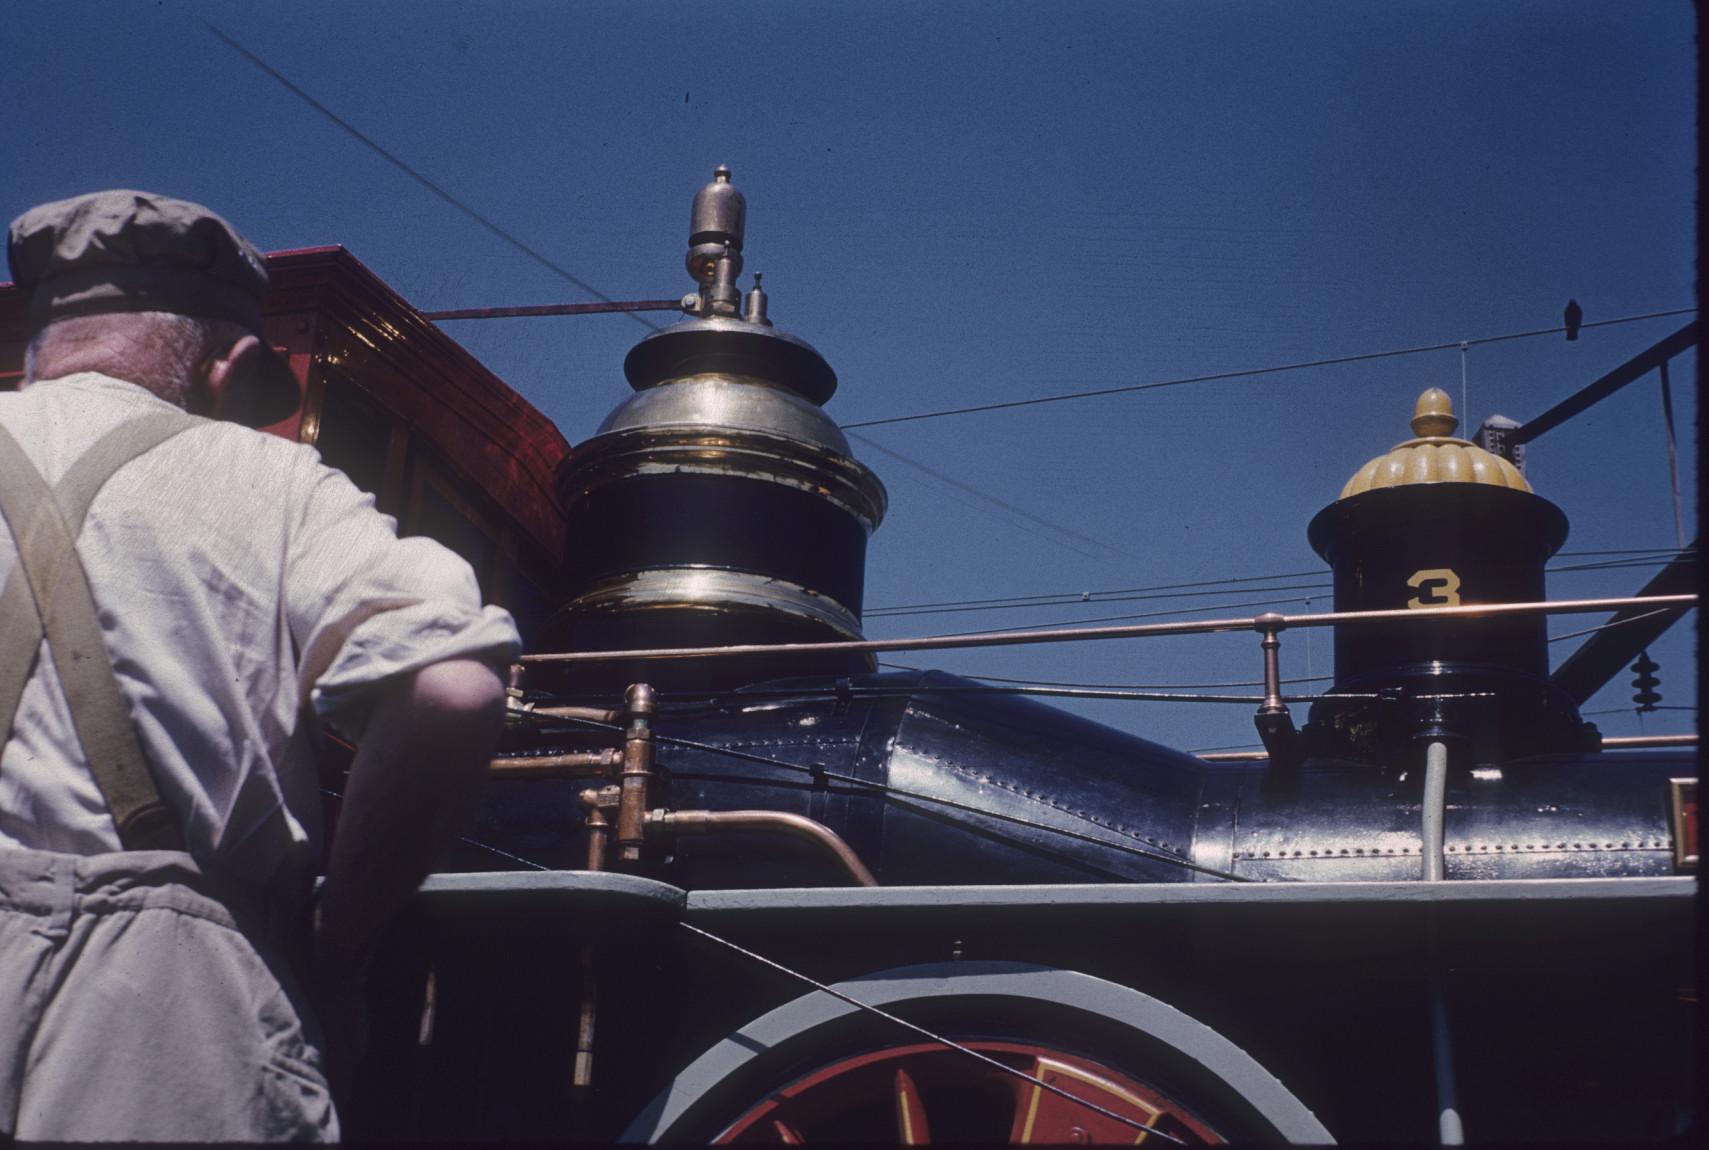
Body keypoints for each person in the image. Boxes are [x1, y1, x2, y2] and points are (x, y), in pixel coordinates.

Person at [0, 190, 521, 1141]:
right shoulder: (272, 481)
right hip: (158, 1007)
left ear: (39, 348)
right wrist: (341, 946)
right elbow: (453, 685)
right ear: (228, 367)